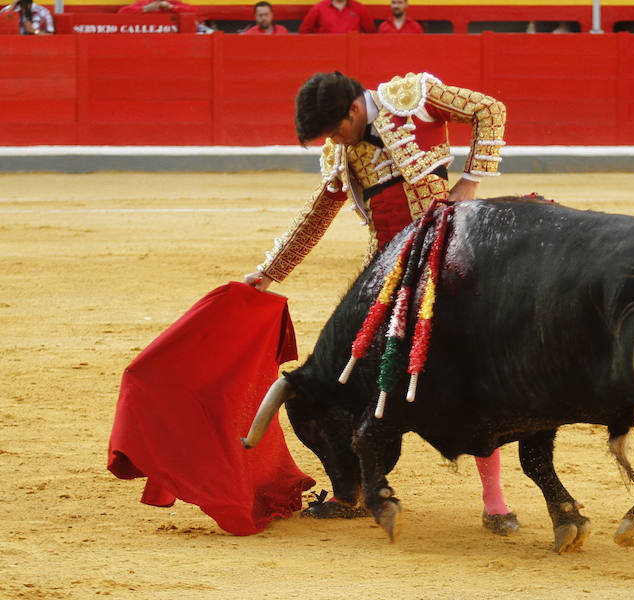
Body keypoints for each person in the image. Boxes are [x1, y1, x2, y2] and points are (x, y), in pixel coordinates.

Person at [242, 71, 518, 534]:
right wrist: (269, 273)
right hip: (384, 277)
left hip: (445, 258)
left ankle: (495, 501)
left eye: (335, 130)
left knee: (467, 375)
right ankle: (350, 488)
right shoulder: (342, 150)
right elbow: (315, 216)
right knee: (353, 376)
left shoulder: (414, 99)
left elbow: (490, 110)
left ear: (353, 109)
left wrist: (470, 182)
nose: (335, 140)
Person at [298, 0, 375, 33]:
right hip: (324, 53)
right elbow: (304, 31)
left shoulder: (359, 8)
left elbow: (371, 33)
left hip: (352, 52)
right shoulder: (319, 8)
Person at [117, 0, 197, 14]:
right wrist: (145, 9)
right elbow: (121, 13)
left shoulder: (172, 3)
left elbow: (194, 10)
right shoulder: (145, 3)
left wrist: (172, 7)